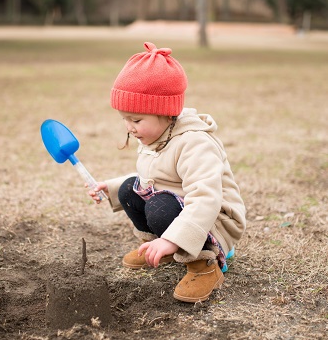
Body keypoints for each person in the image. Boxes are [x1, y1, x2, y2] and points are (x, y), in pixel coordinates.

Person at [88, 42, 246, 303]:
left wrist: (174, 238)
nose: (129, 128)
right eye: (124, 119)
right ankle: (155, 246)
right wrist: (112, 187)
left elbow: (206, 199)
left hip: (214, 219)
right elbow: (154, 178)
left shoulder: (194, 143)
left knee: (159, 205)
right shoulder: (155, 136)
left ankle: (204, 265)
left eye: (136, 120)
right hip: (180, 207)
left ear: (166, 113)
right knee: (130, 188)